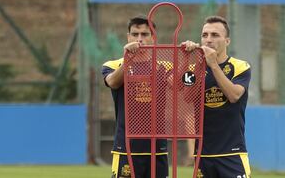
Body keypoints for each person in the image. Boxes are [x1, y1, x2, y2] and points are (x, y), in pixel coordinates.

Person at [102, 15, 198, 178]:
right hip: (126, 147)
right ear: (128, 37)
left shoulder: (163, 66)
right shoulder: (113, 65)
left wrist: (187, 57)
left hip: (157, 147)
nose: (140, 39)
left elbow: (178, 85)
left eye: (145, 34)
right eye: (135, 34)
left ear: (153, 38)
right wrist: (128, 59)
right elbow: (113, 82)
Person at [183, 16, 252, 178]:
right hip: (203, 154)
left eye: (215, 35)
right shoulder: (196, 68)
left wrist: (213, 64)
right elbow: (187, 97)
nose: (208, 40)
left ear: (227, 41)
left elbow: (234, 95)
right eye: (204, 35)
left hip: (232, 153)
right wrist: (190, 61)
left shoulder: (240, 66)